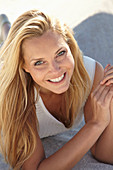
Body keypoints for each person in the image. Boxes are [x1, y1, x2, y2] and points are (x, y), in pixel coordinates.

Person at [0, 9, 113, 170]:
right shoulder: (18, 97)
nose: (56, 69)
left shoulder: (91, 73)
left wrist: (110, 99)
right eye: (39, 62)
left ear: (69, 44)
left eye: (60, 53)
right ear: (24, 66)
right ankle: (5, 29)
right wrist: (95, 123)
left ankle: (5, 28)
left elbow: (105, 155)